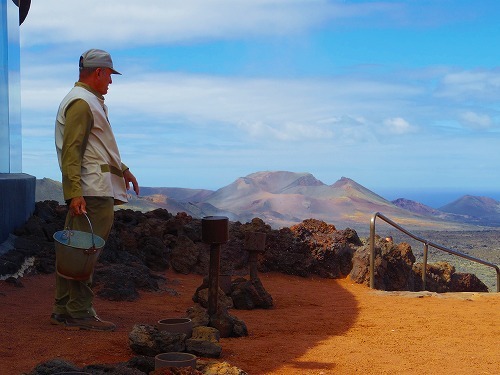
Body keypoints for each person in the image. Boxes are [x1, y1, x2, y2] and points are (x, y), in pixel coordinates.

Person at [52, 49, 139, 331]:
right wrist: (75, 192)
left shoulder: (89, 101)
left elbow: (96, 146)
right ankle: (79, 312)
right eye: (109, 76)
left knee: (74, 249)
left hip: (91, 188)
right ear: (98, 72)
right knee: (85, 250)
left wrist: (122, 168)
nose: (111, 82)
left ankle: (63, 309)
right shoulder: (82, 103)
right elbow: (72, 151)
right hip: (92, 191)